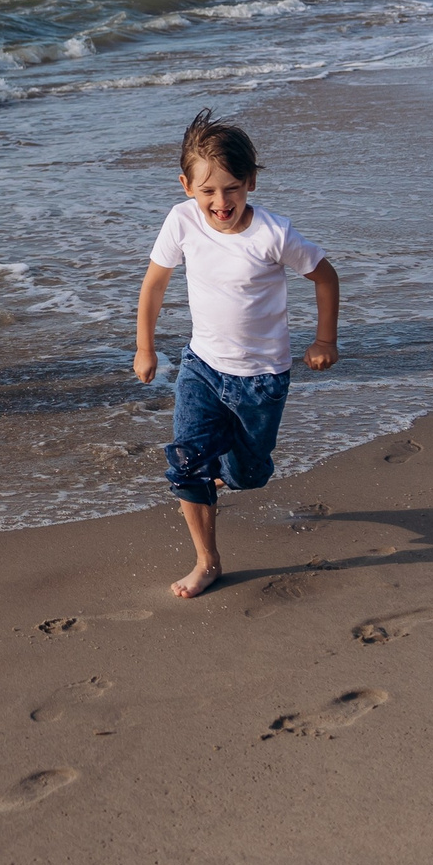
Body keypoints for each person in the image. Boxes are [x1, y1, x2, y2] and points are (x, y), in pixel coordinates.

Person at [132, 108, 341, 599]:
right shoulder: (182, 222)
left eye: (232, 188)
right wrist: (146, 348)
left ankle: (225, 473)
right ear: (187, 186)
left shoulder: (272, 234)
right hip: (200, 367)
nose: (220, 202)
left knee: (249, 475)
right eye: (208, 191)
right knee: (186, 462)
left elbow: (326, 277)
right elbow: (154, 287)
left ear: (249, 182)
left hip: (260, 379)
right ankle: (207, 561)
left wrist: (325, 340)